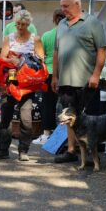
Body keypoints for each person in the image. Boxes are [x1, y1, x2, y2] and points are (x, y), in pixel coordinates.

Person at [52, 0, 106, 163]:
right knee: (69, 118)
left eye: (66, 6)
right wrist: (54, 76)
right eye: (61, 6)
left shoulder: (92, 23)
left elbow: (102, 50)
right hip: (65, 81)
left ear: (77, 4)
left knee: (89, 119)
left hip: (86, 81)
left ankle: (91, 154)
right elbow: (56, 51)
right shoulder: (61, 24)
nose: (63, 9)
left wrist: (96, 74)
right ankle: (71, 150)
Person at [0, 10, 44, 161]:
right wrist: (10, 61)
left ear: (29, 24)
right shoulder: (9, 38)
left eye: (24, 24)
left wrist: (24, 61)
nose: (20, 27)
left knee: (26, 117)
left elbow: (41, 60)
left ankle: (23, 150)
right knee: (6, 115)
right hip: (11, 81)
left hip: (27, 84)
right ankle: (2, 150)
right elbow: (1, 59)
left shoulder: (35, 39)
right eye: (18, 24)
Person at [32, 9, 65, 145]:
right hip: (66, 72)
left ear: (53, 19)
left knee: (48, 104)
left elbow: (40, 56)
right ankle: (64, 134)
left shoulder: (47, 35)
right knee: (66, 104)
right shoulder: (69, 34)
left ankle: (46, 134)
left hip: (49, 72)